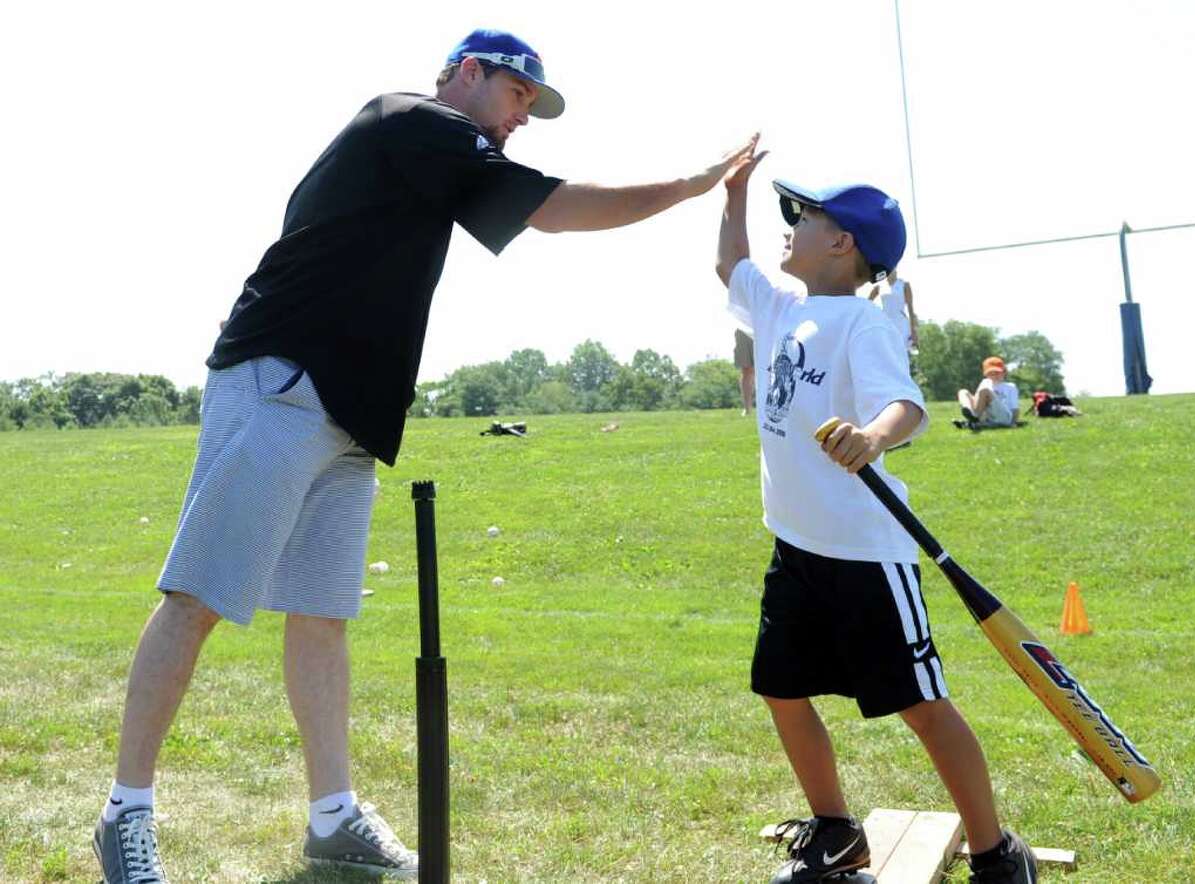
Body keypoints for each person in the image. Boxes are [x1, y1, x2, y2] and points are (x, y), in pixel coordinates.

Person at [94, 27, 758, 884]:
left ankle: (332, 818)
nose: (522, 117)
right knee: (198, 597)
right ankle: (125, 815)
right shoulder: (414, 118)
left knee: (321, 614)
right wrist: (694, 184)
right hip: (283, 380)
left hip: (351, 414)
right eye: (518, 95)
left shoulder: (438, 154)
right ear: (468, 74)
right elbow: (553, 209)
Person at [715, 139, 1037, 884]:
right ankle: (835, 835)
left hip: (865, 554)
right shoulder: (778, 306)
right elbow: (730, 265)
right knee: (780, 687)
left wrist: (872, 437)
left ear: (843, 243)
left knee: (920, 704)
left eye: (804, 216)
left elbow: (906, 405)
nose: (789, 225)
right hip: (795, 546)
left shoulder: (864, 325)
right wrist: (733, 195)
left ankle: (996, 854)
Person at [958, 357, 1020, 429]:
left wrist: (1013, 423)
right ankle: (970, 414)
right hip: (987, 416)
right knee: (963, 391)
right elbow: (978, 401)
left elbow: (1014, 408)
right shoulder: (985, 382)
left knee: (985, 391)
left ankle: (973, 419)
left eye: (997, 373)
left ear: (1004, 372)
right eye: (990, 373)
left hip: (1004, 417)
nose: (994, 376)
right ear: (986, 374)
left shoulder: (1010, 386)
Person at [867, 268, 918, 354]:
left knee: (900, 353)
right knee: (886, 352)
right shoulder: (880, 286)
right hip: (885, 323)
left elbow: (910, 309)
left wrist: (913, 331)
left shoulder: (904, 285)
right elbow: (868, 303)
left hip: (901, 324)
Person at [735, 328, 756, 415]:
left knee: (770, 369)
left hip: (767, 329)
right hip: (744, 329)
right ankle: (747, 409)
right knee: (746, 370)